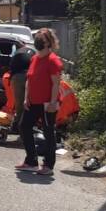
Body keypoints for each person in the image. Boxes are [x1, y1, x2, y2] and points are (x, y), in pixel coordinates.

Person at [16, 28, 63, 176]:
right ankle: (31, 161)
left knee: (49, 133)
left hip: (47, 104)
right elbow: (29, 79)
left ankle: (48, 165)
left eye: (41, 39)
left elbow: (56, 84)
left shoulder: (53, 60)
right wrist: (26, 97)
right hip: (32, 101)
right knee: (23, 126)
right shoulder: (35, 58)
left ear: (48, 43)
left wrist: (53, 102)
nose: (37, 41)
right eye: (37, 38)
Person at [7, 38, 35, 134]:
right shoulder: (33, 52)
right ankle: (28, 127)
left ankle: (19, 127)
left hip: (17, 78)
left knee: (19, 104)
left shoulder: (17, 52)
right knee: (29, 103)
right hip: (29, 78)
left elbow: (11, 67)